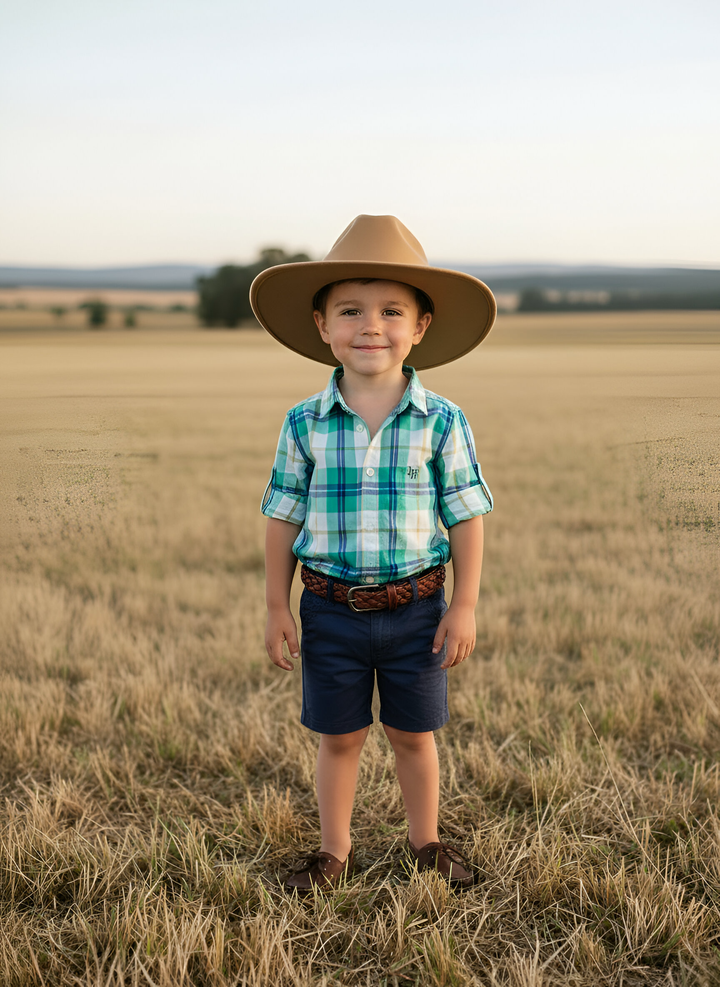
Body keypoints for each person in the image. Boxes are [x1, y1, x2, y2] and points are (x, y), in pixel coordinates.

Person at [250, 215, 495, 895]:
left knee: (413, 735)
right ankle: (335, 852)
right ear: (322, 324)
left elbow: (467, 517)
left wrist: (466, 604)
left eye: (391, 311)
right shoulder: (303, 422)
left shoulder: (443, 420)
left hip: (418, 609)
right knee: (341, 738)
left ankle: (427, 841)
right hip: (329, 611)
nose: (370, 325)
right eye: (350, 310)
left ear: (420, 325)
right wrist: (277, 603)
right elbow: (282, 517)